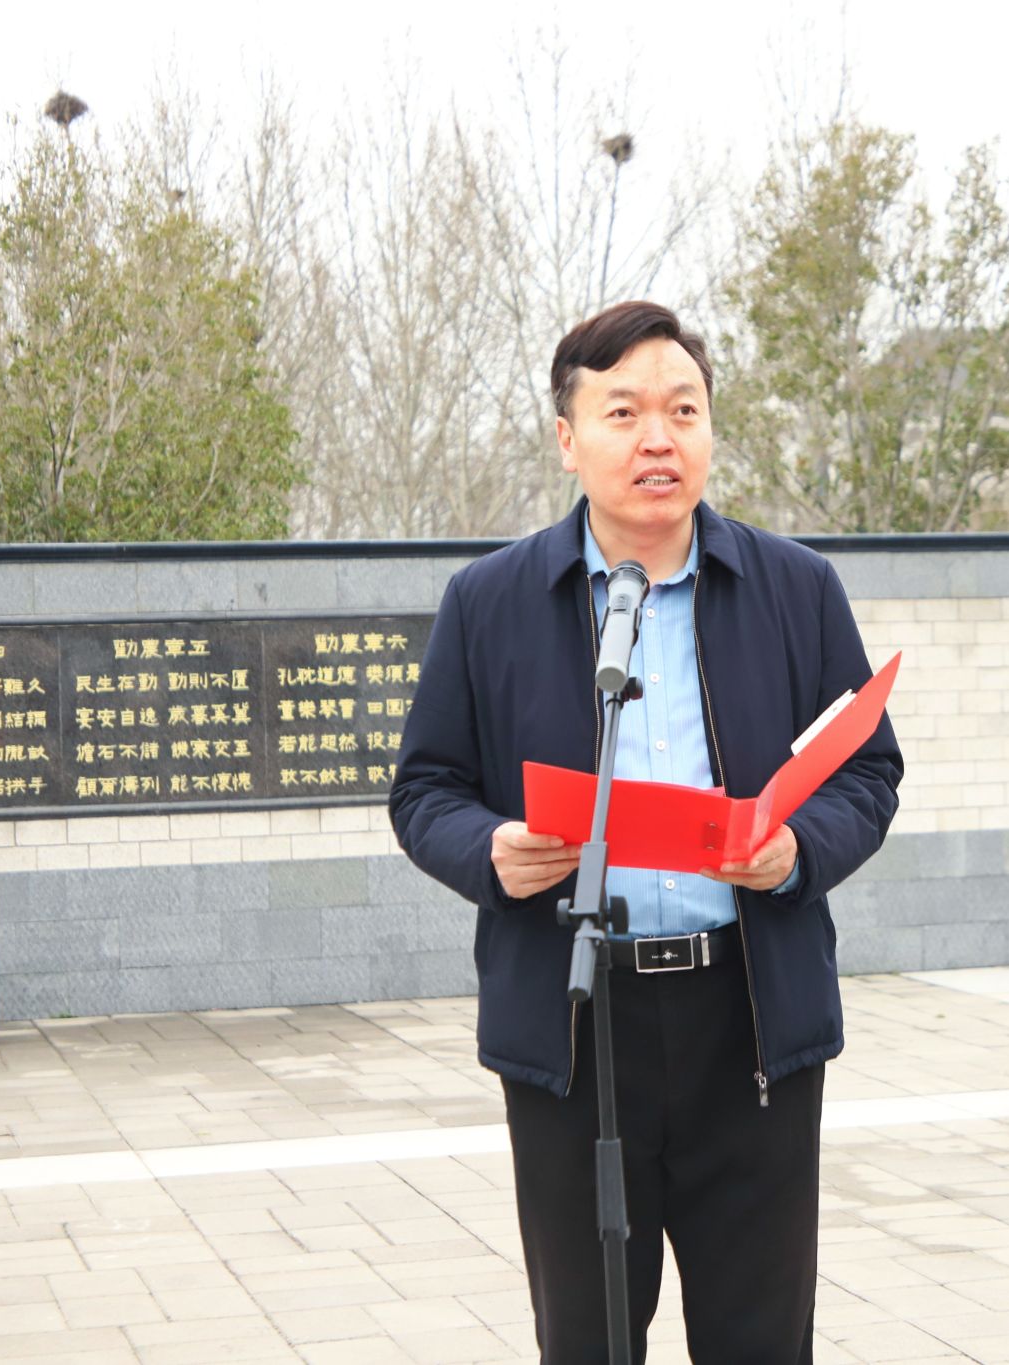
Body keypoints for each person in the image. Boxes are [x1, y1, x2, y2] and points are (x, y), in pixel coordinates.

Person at [389, 300, 903, 1362]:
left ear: (710, 430)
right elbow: (426, 790)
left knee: (761, 1342)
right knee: (589, 1339)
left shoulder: (796, 589)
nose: (657, 438)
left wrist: (799, 852)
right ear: (567, 437)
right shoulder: (489, 602)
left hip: (749, 1022)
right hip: (577, 1024)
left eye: (683, 410)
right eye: (622, 412)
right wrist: (489, 852)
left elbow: (866, 769)